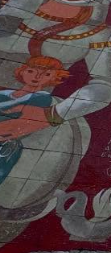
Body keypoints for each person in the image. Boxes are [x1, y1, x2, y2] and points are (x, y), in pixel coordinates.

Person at [0, 0, 111, 241]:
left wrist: (50, 115)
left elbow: (106, 83)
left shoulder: (99, 33)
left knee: (52, 148)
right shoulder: (9, 15)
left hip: (37, 107)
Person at [0, 56, 69, 185]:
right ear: (22, 71)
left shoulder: (41, 98)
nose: (37, 77)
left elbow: (20, 119)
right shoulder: (5, 94)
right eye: (31, 71)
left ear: (54, 78)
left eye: (46, 74)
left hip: (5, 142)